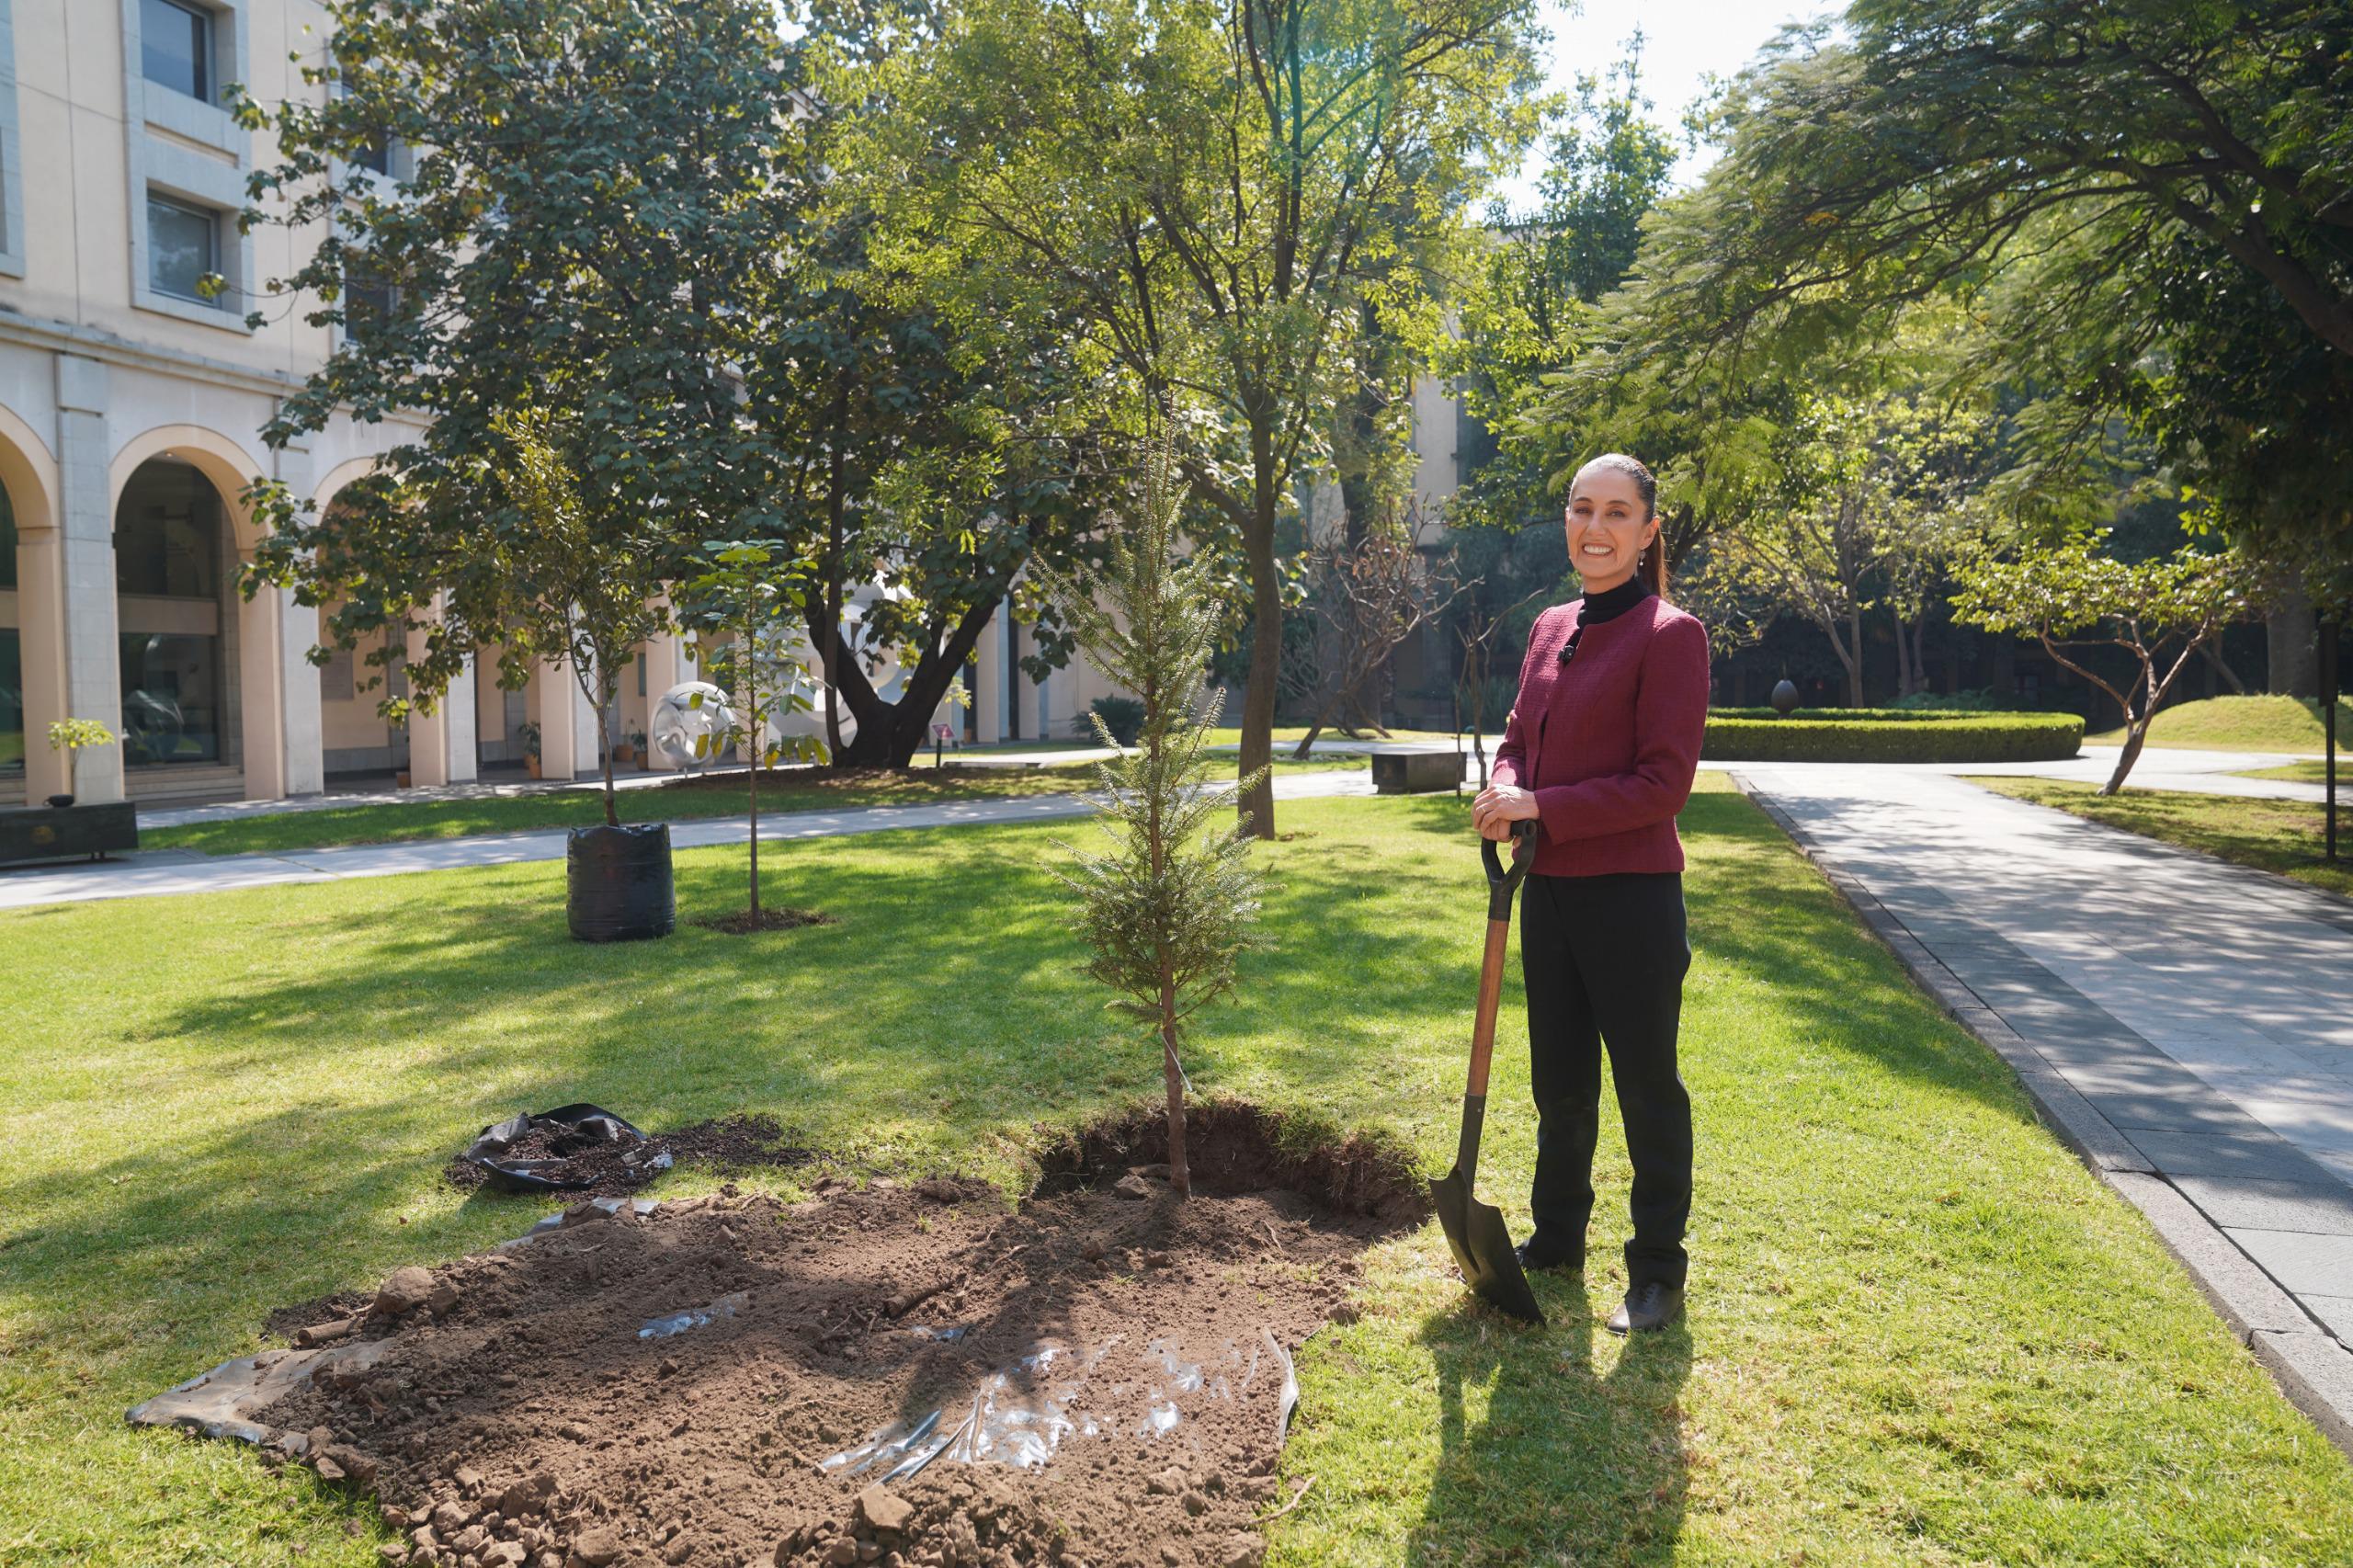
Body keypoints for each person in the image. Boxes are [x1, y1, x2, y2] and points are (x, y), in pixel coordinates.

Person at [1469, 453, 1710, 1335]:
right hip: (1550, 894)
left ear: (1648, 532)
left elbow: (1662, 785)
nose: (1595, 528)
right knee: (1560, 1083)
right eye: (1581, 509)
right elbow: (1517, 738)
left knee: (1648, 1089)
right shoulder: (1549, 625)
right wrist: (1503, 788)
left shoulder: (1670, 635)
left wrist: (1542, 805)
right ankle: (1557, 1238)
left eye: (1616, 513)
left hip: (1634, 900)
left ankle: (1656, 1273)